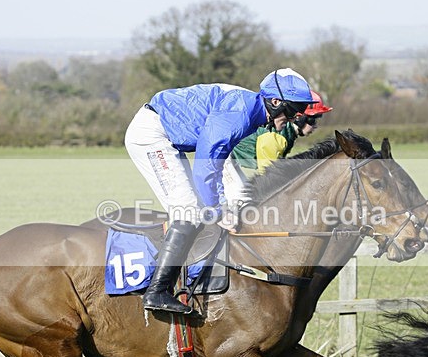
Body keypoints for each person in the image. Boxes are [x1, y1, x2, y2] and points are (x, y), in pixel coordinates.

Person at [124, 68, 314, 317]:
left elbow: (219, 165)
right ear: (275, 102)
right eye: (293, 111)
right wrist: (218, 209)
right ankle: (157, 290)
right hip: (152, 135)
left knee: (214, 206)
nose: (294, 118)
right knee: (189, 211)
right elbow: (205, 167)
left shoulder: (252, 111)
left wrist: (226, 204)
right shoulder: (238, 116)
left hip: (166, 134)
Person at [230, 90, 333, 174]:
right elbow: (267, 174)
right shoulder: (277, 135)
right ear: (299, 117)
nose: (315, 126)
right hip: (226, 159)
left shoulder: (288, 133)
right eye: (312, 120)